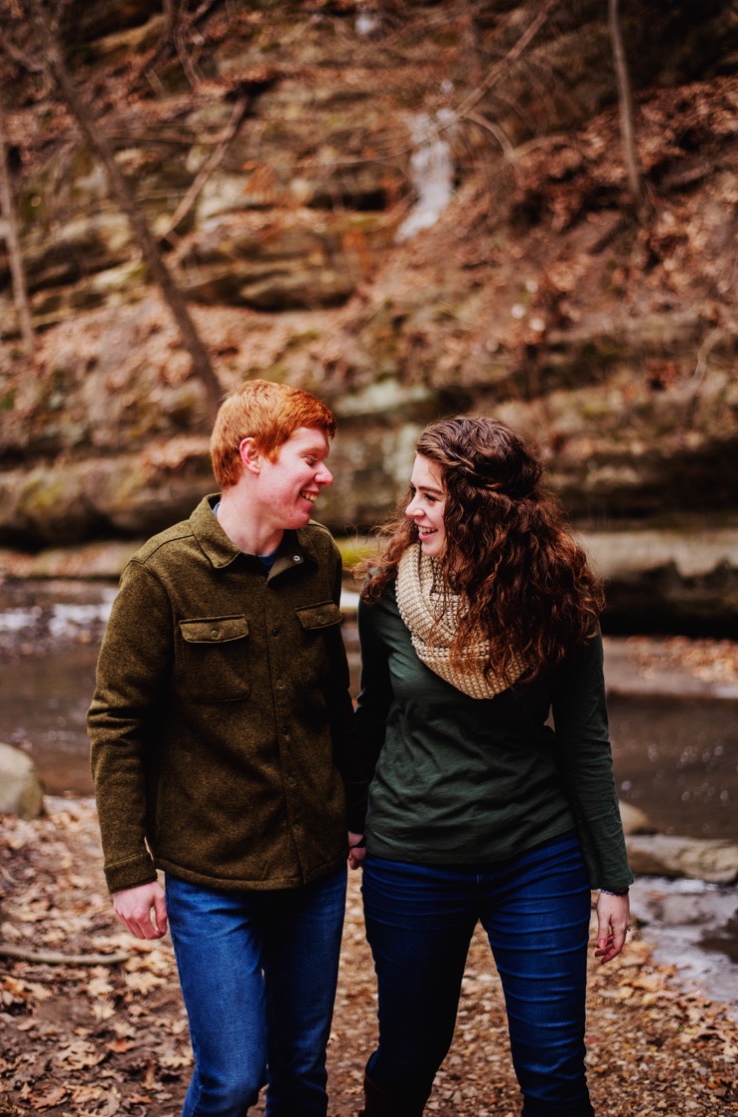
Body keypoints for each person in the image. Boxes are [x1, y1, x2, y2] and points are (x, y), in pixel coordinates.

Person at [87, 379, 364, 1117]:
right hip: (211, 875)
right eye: (310, 458)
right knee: (234, 1078)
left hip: (314, 866)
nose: (325, 476)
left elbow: (334, 703)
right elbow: (117, 722)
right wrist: (127, 867)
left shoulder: (322, 558)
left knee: (302, 1070)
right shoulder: (161, 574)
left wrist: (357, 809)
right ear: (252, 457)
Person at [351, 416, 633, 1117]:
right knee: (411, 1055)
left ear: (485, 508)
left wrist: (612, 876)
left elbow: (584, 740)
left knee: (555, 1071)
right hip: (414, 852)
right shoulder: (388, 596)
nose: (413, 510)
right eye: (412, 492)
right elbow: (374, 715)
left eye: (431, 496)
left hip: (536, 851)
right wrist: (351, 819)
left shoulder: (559, 598)